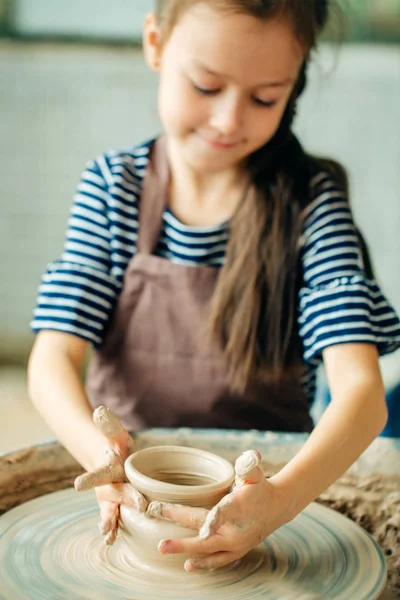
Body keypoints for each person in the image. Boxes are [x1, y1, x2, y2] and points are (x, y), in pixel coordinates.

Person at [28, 0, 400, 572]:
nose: (229, 120)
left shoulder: (311, 204)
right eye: (206, 86)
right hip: (129, 487)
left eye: (264, 97)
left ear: (295, 80)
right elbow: (51, 359)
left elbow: (362, 396)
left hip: (264, 501)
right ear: (155, 43)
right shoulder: (114, 189)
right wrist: (100, 456)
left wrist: (281, 500)